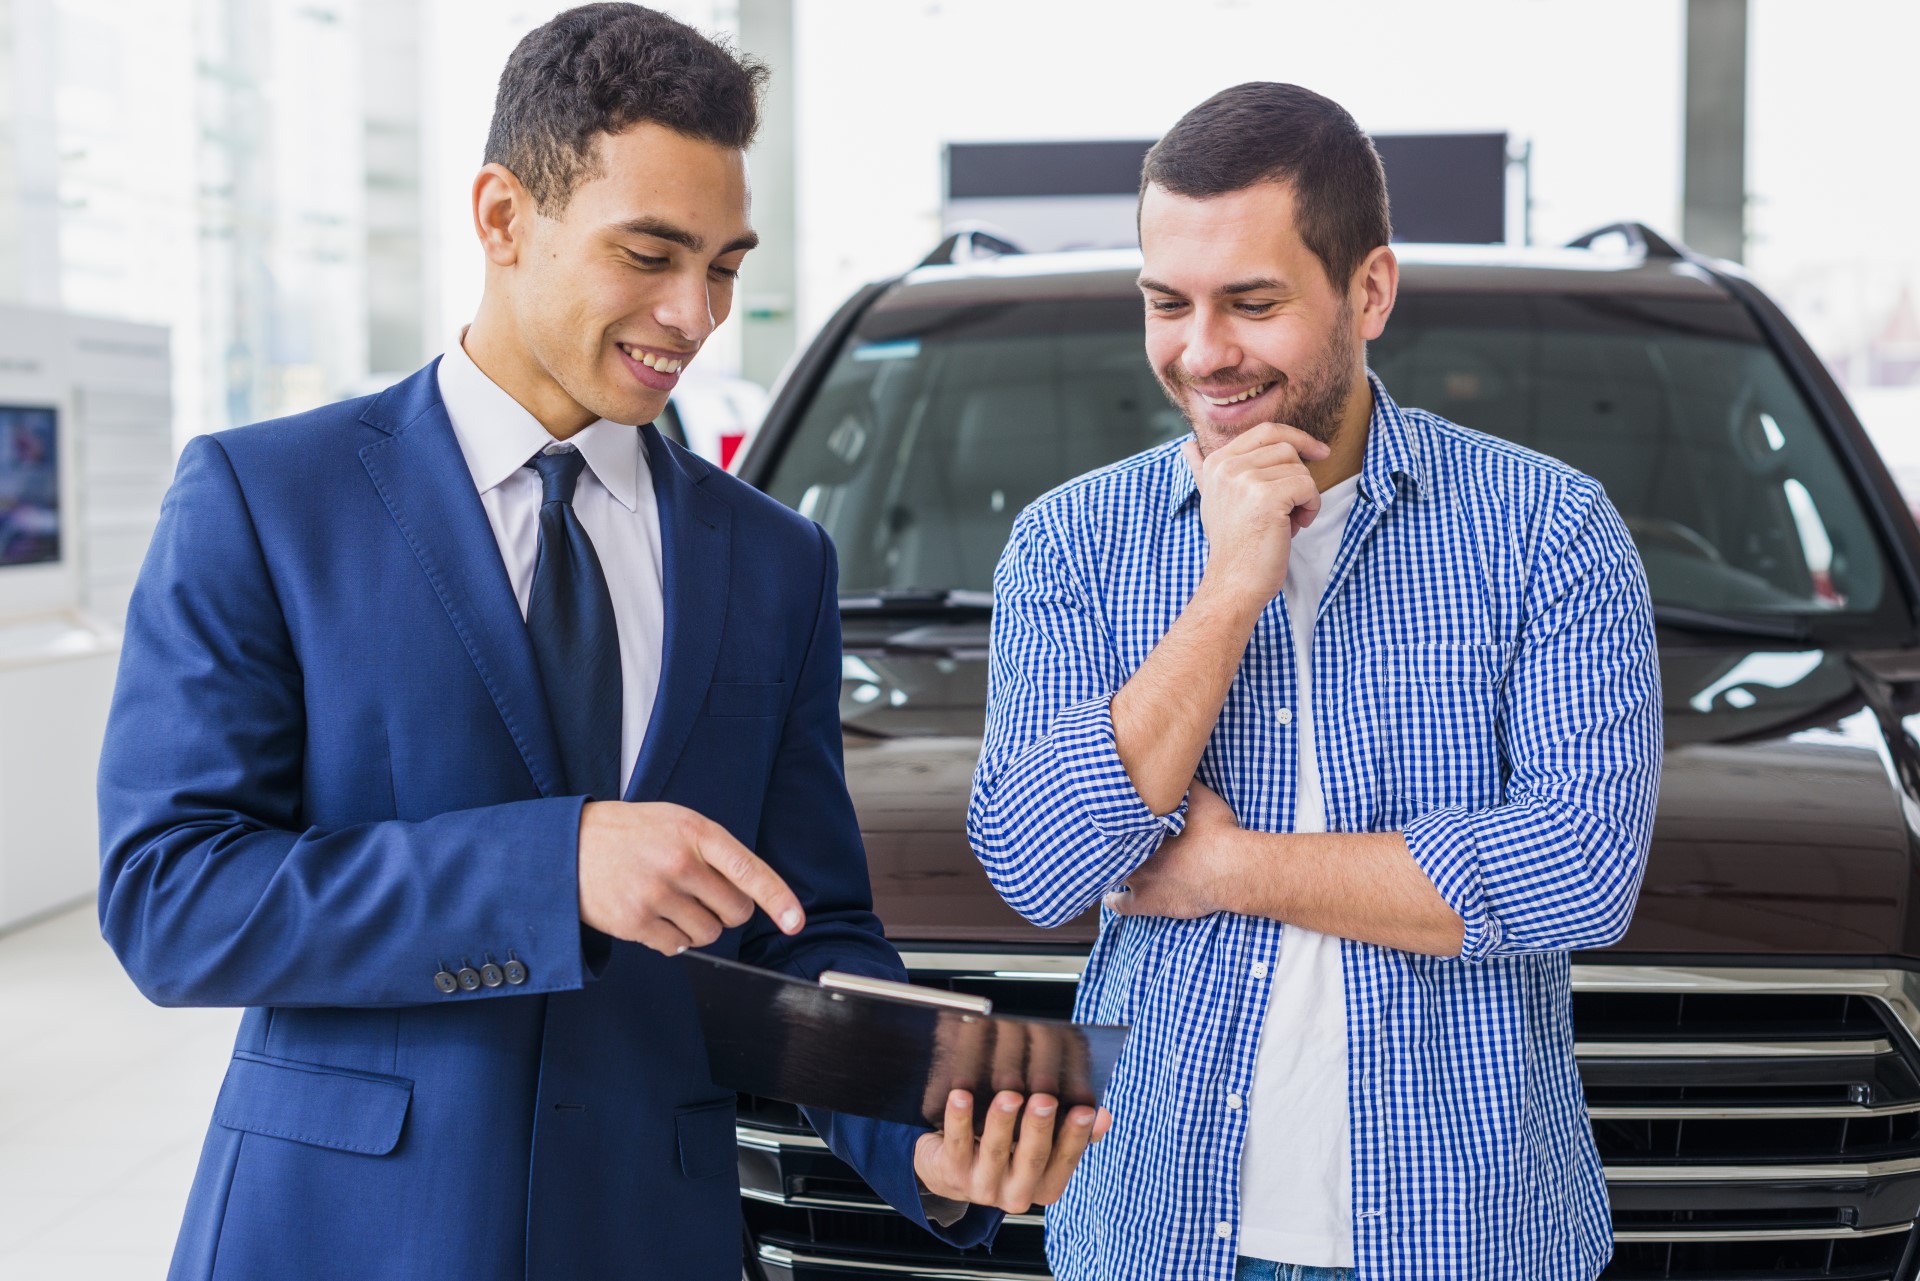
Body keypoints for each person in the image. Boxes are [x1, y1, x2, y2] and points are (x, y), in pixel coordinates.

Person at [97, 7, 1105, 1279]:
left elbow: (806, 932)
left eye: (726, 265)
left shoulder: (772, 561)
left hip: (649, 1231)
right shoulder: (265, 501)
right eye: (650, 253)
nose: (695, 314)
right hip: (343, 1232)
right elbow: (171, 899)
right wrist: (552, 866)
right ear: (504, 217)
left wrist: (923, 1142)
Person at [968, 82, 1661, 1281]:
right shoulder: (1070, 545)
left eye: (1252, 303)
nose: (1201, 352)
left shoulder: (1549, 530)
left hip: (1468, 1240)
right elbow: (1036, 861)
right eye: (1167, 304)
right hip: (1159, 1232)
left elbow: (1581, 867)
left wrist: (1229, 867)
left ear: (1370, 291)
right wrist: (1231, 586)